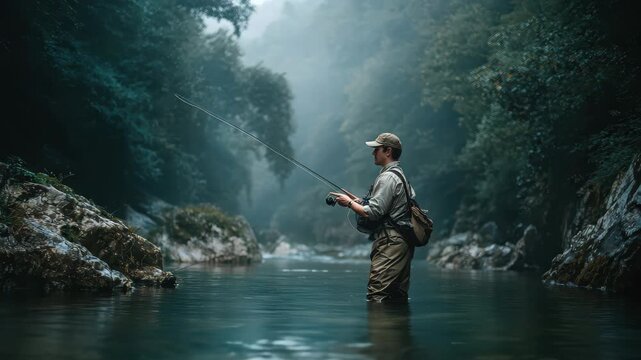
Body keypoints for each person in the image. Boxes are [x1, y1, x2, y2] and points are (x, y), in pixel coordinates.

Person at [330, 132, 415, 303]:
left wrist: (348, 203)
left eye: (376, 149)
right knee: (396, 296)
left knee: (377, 294)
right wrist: (357, 201)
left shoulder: (388, 177)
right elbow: (386, 208)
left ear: (388, 151)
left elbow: (373, 213)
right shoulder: (398, 174)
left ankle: (380, 328)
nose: (373, 153)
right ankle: (395, 327)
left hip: (391, 243)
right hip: (402, 242)